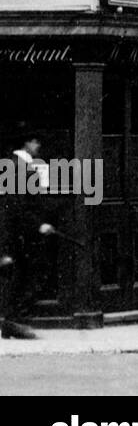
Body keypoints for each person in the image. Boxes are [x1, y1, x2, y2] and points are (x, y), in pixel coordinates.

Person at [0, 133, 54, 340]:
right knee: (24, 277)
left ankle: (12, 323)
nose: (38, 145)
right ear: (27, 143)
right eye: (35, 141)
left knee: (20, 277)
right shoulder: (20, 167)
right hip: (21, 235)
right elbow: (18, 205)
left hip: (17, 234)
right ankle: (15, 323)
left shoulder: (14, 164)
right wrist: (39, 225)